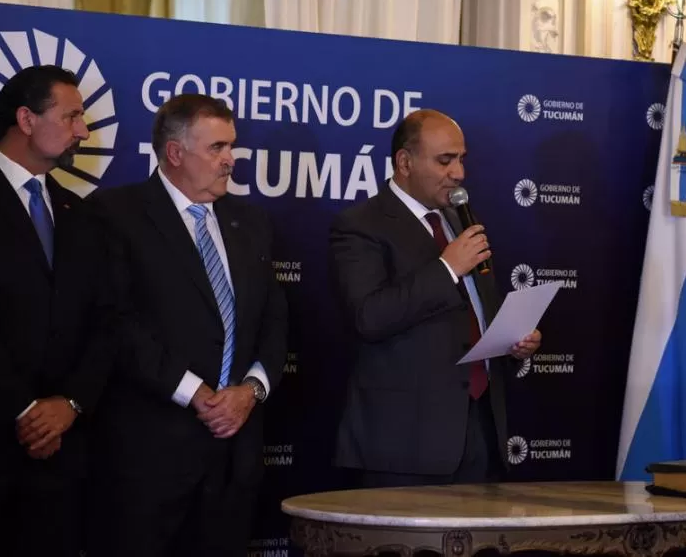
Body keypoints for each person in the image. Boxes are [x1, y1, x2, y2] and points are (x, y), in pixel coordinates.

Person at [88, 94, 288, 557]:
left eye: (231, 147)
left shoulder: (251, 221)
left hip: (233, 459)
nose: (230, 160)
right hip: (149, 457)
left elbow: (274, 320)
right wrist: (195, 392)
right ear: (175, 153)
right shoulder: (115, 214)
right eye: (216, 148)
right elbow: (116, 322)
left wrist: (250, 391)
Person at [329, 109, 541, 487]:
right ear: (405, 162)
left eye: (461, 159)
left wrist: (513, 339)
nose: (459, 173)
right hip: (406, 444)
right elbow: (369, 316)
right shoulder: (361, 225)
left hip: (480, 431)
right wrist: (446, 268)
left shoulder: (459, 220)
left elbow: (476, 312)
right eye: (445, 160)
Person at [0, 65, 112, 556]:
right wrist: (26, 410)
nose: (83, 130)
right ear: (26, 119)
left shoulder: (79, 212)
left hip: (66, 455)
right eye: (73, 115)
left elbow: (106, 318)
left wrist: (70, 404)